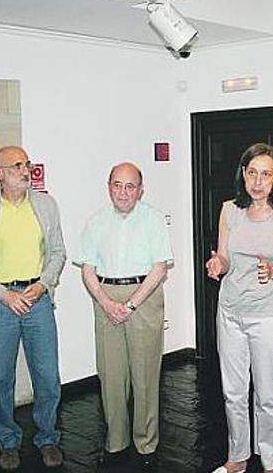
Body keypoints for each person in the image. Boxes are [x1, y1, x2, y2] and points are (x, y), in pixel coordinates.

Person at [205, 143, 273, 473]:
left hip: (269, 318)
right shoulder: (229, 211)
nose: (258, 181)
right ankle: (237, 458)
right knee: (233, 393)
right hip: (231, 313)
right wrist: (217, 264)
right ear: (244, 175)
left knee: (266, 397)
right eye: (252, 173)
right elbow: (224, 255)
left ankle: (270, 463)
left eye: (266, 174)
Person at [0, 146, 67, 471]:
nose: (26, 170)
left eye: (28, 164)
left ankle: (48, 437)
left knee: (48, 375)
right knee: (1, 376)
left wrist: (41, 286)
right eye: (18, 165)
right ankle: (8, 440)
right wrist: (3, 294)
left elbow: (58, 253)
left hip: (37, 298)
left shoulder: (46, 205)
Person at [77, 162, 173, 470]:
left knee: (145, 375)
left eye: (130, 186)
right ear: (108, 186)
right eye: (117, 185)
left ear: (141, 190)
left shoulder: (154, 219)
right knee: (111, 376)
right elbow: (88, 270)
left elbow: (159, 269)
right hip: (106, 298)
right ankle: (116, 441)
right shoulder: (95, 222)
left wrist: (130, 305)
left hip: (143, 297)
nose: (123, 192)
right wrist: (106, 303)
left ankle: (146, 442)